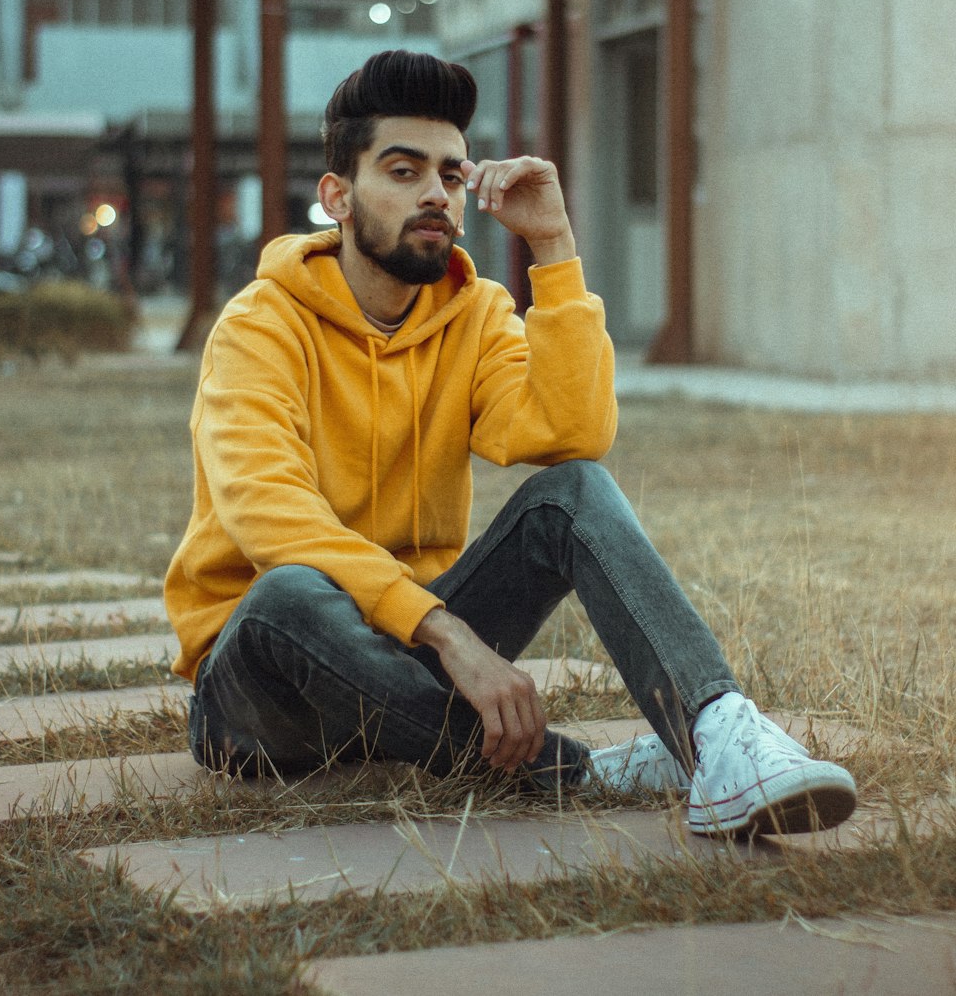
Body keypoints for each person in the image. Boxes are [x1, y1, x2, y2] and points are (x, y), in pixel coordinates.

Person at [165, 50, 857, 838]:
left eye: (451, 175)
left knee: (576, 494)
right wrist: (447, 633)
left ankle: (718, 735)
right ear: (338, 197)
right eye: (401, 171)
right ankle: (579, 773)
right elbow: (268, 513)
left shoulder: (477, 313)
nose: (434, 192)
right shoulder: (261, 324)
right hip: (261, 693)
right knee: (291, 591)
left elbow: (573, 434)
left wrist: (554, 248)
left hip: (404, 653)